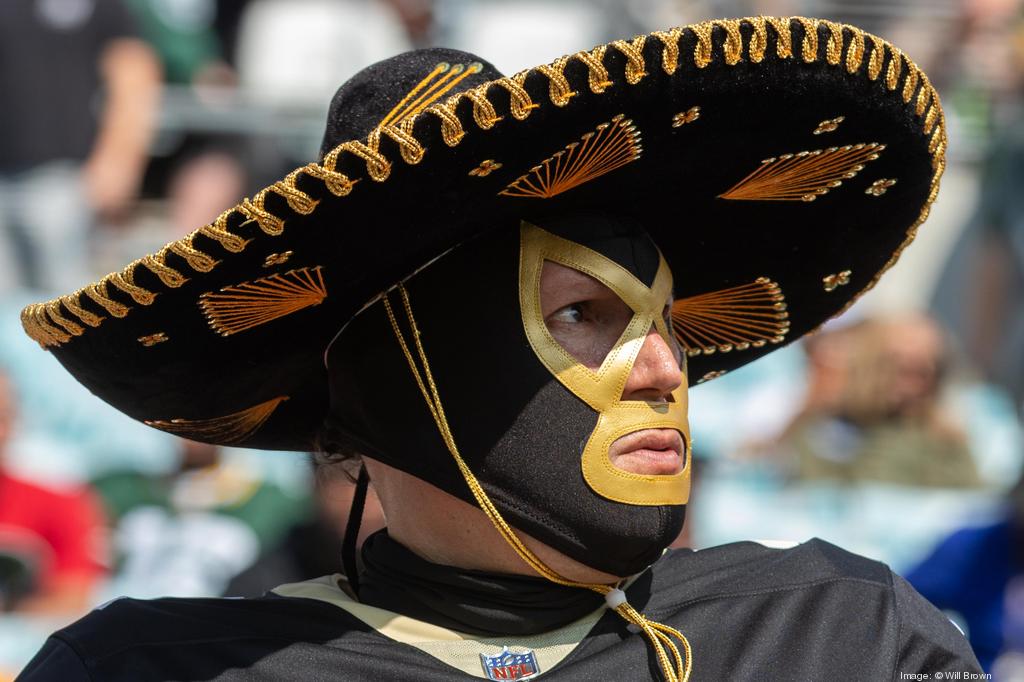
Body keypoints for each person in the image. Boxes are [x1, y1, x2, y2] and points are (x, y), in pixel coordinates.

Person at [18, 16, 980, 680]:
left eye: (667, 321)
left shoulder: (839, 633)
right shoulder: (150, 672)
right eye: (582, 316)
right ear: (399, 378)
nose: (663, 368)